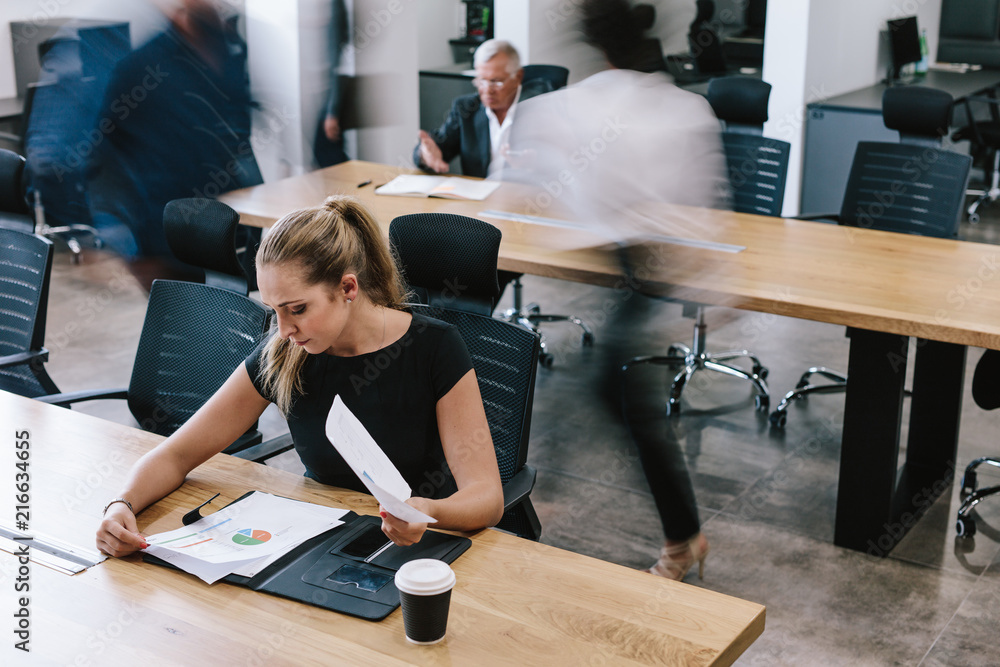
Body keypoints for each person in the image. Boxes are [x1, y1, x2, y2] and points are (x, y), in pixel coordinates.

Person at [96, 196, 505, 558]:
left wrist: (429, 510)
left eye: (297, 308)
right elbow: (175, 454)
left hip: (421, 551)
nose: (284, 328)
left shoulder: (433, 347)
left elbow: (487, 498)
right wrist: (122, 505)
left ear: (347, 288)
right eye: (274, 309)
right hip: (320, 541)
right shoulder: (284, 352)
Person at [505, 0, 727, 581]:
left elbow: (541, 185)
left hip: (643, 261)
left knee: (614, 388)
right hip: (657, 258)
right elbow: (698, 200)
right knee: (610, 387)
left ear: (594, 44)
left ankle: (682, 537)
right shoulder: (684, 108)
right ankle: (677, 533)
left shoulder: (573, 107)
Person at [87, 0, 260, 291]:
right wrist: (127, 241)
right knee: (182, 322)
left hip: (229, 220)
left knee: (234, 312)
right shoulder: (141, 68)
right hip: (167, 232)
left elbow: (238, 127)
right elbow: (106, 154)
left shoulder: (227, 52)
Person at [413, 39, 549, 178]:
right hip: (478, 196)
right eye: (481, 80)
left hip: (523, 195)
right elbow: (439, 148)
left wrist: (533, 166)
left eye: (496, 81)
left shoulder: (540, 109)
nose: (487, 90)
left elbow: (562, 164)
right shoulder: (466, 109)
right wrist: (425, 155)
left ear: (518, 77)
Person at [314, 0, 350, 167]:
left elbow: (334, 60)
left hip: (327, 97)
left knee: (328, 154)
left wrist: (331, 111)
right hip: (320, 94)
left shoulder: (332, 6)